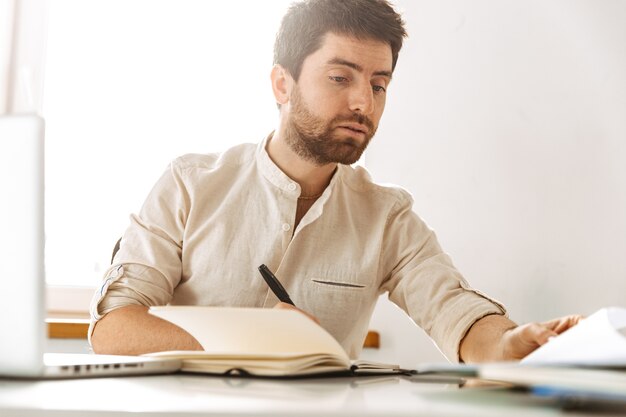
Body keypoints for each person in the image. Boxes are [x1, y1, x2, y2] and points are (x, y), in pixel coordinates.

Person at [89, 0, 581, 363]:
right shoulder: (189, 185)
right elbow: (113, 328)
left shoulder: (386, 216)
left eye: (378, 84)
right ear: (282, 84)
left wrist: (506, 344)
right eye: (340, 78)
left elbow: (452, 307)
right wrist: (248, 336)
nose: (364, 103)